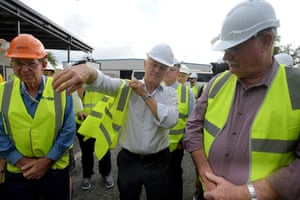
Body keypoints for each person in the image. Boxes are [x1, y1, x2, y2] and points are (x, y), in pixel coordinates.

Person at [184, 0, 300, 199]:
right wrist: (206, 175)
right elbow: (193, 127)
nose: (225, 55)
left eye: (234, 47)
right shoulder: (216, 83)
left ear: (266, 41)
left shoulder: (296, 88)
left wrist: (246, 194)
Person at [53, 43, 178, 200]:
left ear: (167, 71)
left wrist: (145, 95)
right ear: (145, 64)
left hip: (159, 160)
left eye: (162, 67)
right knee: (127, 196)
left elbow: (171, 120)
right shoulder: (126, 87)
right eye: (154, 64)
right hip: (130, 159)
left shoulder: (169, 93)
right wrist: (89, 71)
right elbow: (104, 82)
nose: (157, 70)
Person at [0, 34, 76, 200]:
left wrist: (46, 162)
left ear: (43, 63)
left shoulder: (60, 89)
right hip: (19, 171)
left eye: (31, 64)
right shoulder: (2, 91)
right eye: (18, 64)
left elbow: (68, 130)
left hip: (54, 169)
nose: (24, 69)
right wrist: (20, 161)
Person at [163, 63, 195, 200]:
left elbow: (192, 119)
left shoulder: (186, 92)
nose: (168, 73)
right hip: (156, 145)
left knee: (174, 174)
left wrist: (184, 139)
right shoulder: (156, 88)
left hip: (176, 145)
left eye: (172, 70)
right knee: (157, 176)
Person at [75, 84, 114, 190]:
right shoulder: (78, 87)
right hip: (84, 125)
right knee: (86, 153)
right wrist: (79, 112)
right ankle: (87, 176)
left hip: (101, 125)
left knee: (104, 151)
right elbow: (74, 105)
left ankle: (106, 174)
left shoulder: (102, 86)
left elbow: (110, 103)